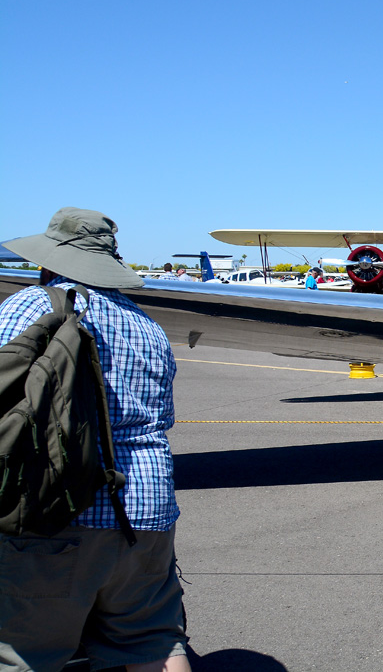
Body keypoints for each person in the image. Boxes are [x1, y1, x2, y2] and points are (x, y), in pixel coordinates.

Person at [0, 208, 190, 671]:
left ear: (50, 257)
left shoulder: (30, 305)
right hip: (146, 508)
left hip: (54, 507)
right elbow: (160, 417)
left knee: (23, 652)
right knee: (155, 642)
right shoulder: (147, 326)